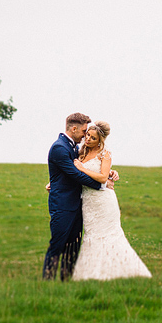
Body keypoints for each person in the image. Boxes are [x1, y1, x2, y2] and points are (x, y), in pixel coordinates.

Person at [69, 120, 151, 280]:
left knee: (109, 234)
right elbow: (71, 170)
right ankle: (91, 272)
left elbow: (102, 177)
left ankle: (120, 271)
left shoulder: (105, 153)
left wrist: (83, 168)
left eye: (93, 138)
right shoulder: (81, 152)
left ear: (100, 140)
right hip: (88, 201)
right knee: (92, 234)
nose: (88, 139)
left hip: (103, 200)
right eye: (88, 135)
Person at [43, 112, 117, 281]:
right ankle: (47, 280)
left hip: (78, 204)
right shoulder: (59, 147)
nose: (85, 136)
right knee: (57, 244)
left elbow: (84, 166)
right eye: (84, 131)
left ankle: (66, 280)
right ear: (74, 129)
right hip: (62, 205)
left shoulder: (74, 148)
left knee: (73, 246)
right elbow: (75, 173)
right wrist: (102, 184)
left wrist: (108, 172)